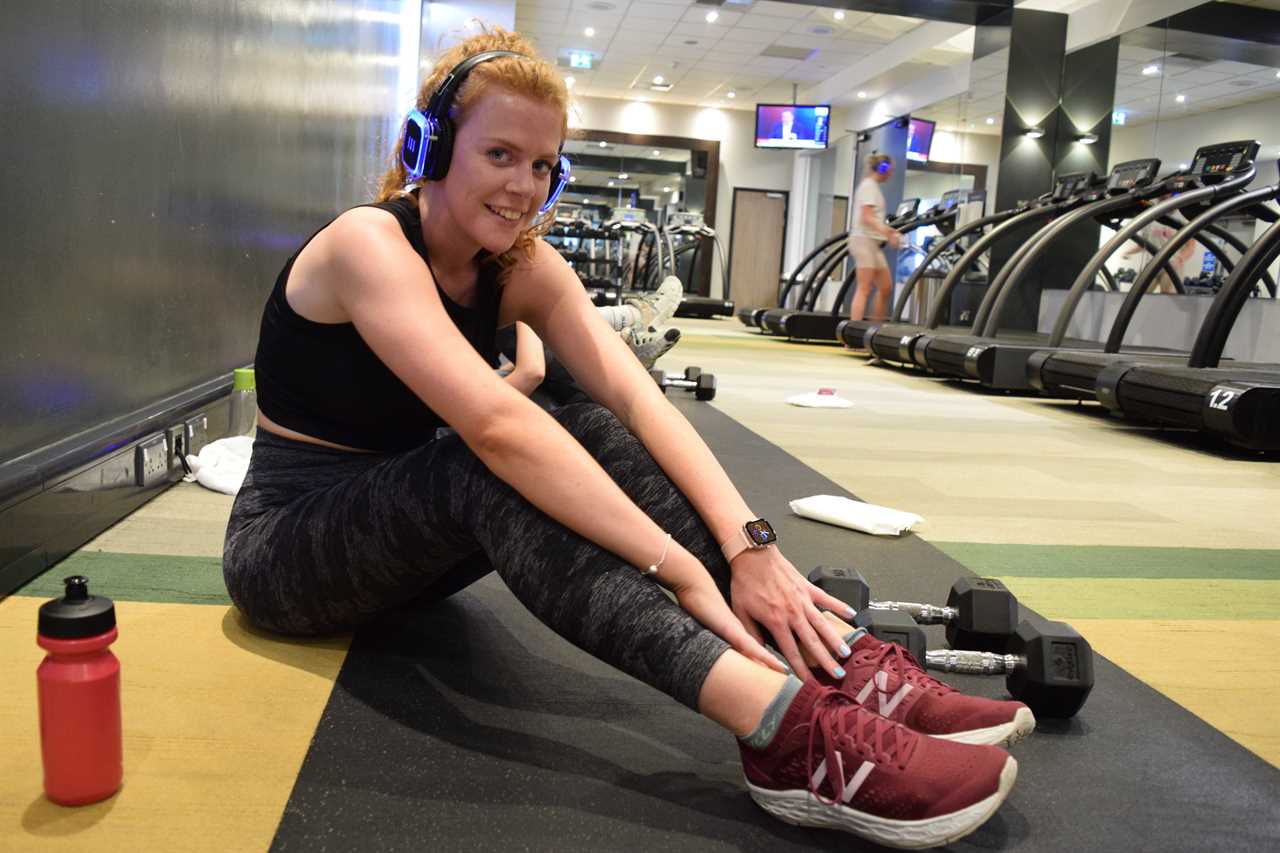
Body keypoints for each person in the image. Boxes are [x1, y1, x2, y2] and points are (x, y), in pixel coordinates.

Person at [222, 28, 1030, 848]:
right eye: (500, 153)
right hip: (288, 548)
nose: (523, 187)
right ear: (428, 143)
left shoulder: (519, 268)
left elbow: (642, 404)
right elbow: (499, 429)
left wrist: (749, 546)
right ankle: (784, 733)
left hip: (402, 550)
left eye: (542, 166)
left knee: (588, 424)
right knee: (491, 456)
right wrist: (681, 572)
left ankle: (835, 659)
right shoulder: (369, 243)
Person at [848, 153, 903, 324]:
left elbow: (873, 218)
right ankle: (853, 337)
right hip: (863, 241)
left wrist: (888, 232)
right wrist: (890, 233)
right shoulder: (869, 187)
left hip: (873, 243)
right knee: (864, 288)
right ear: (882, 169)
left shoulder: (873, 188)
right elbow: (867, 218)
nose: (891, 174)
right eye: (890, 170)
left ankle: (874, 331)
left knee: (885, 288)